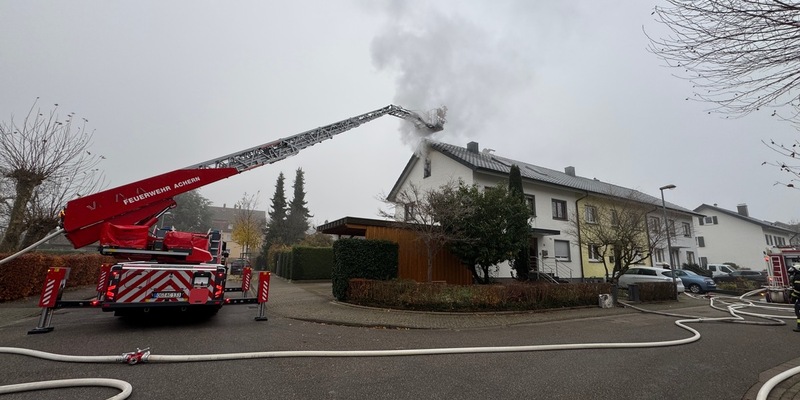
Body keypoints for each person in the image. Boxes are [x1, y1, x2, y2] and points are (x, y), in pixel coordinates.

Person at [790, 266, 800, 332]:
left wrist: (793, 298)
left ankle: (799, 327)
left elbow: (798, 289)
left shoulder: (798, 277)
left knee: (798, 311)